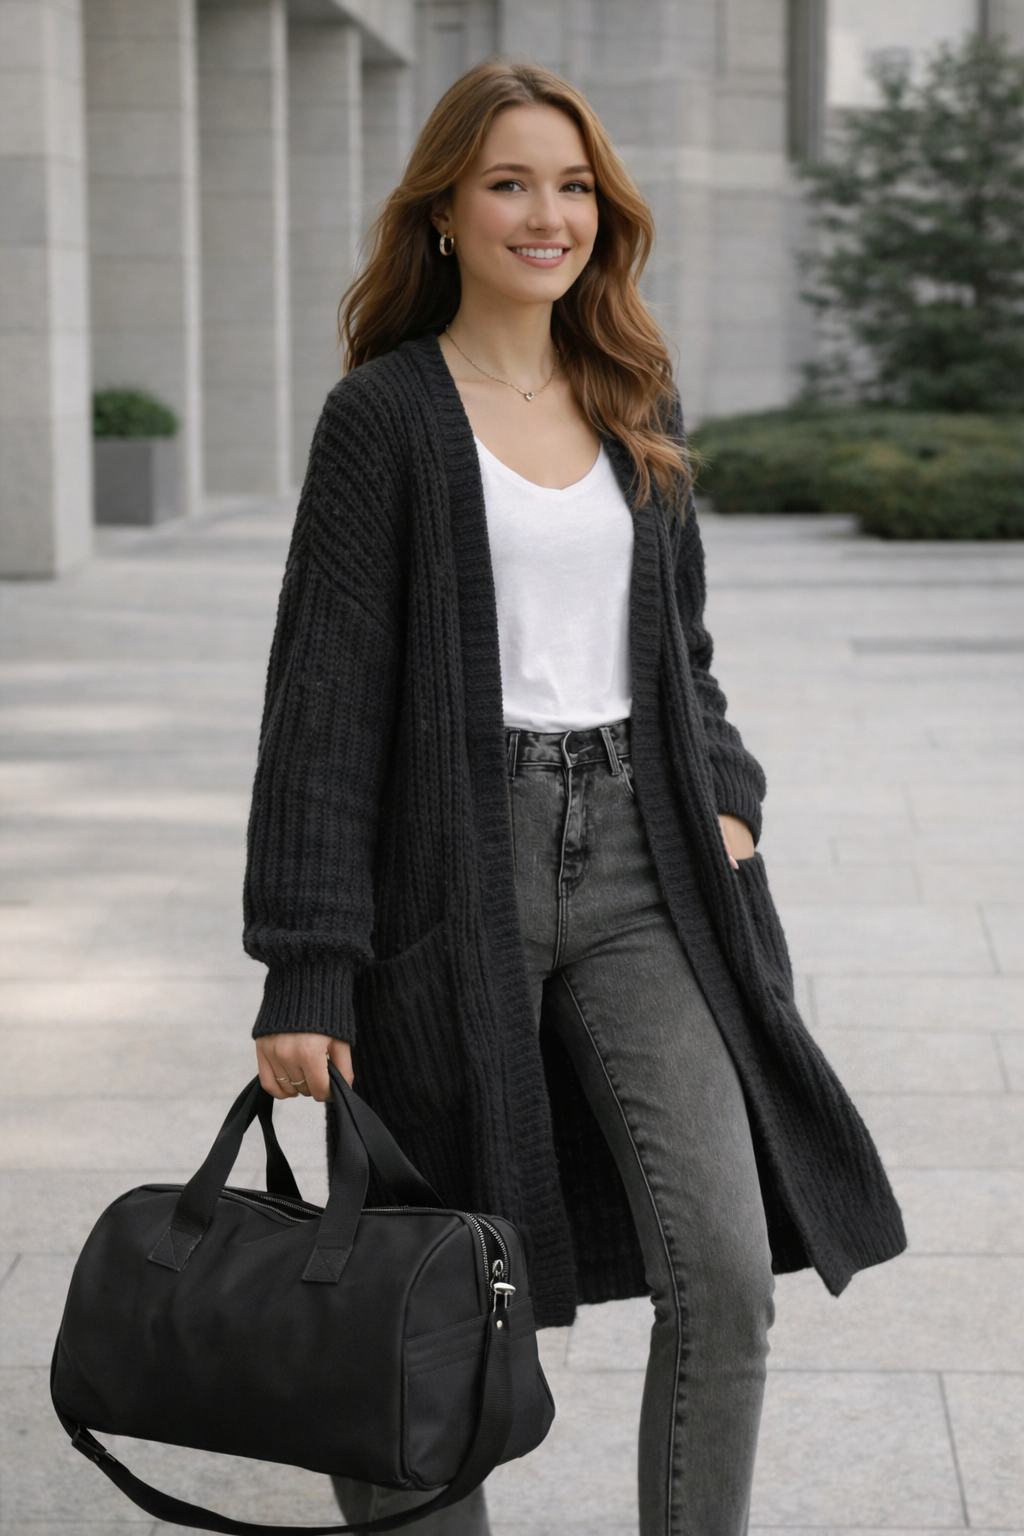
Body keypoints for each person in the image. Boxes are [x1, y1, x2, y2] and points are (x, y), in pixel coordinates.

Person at [242, 58, 906, 1536]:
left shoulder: (631, 390)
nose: (549, 215)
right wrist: (307, 965)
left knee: (723, 1271)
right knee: (415, 1285)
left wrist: (725, 797)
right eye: (509, 184)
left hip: (643, 871)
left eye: (574, 186)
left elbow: (684, 650)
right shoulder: (384, 418)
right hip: (442, 872)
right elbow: (322, 709)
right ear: (443, 213)